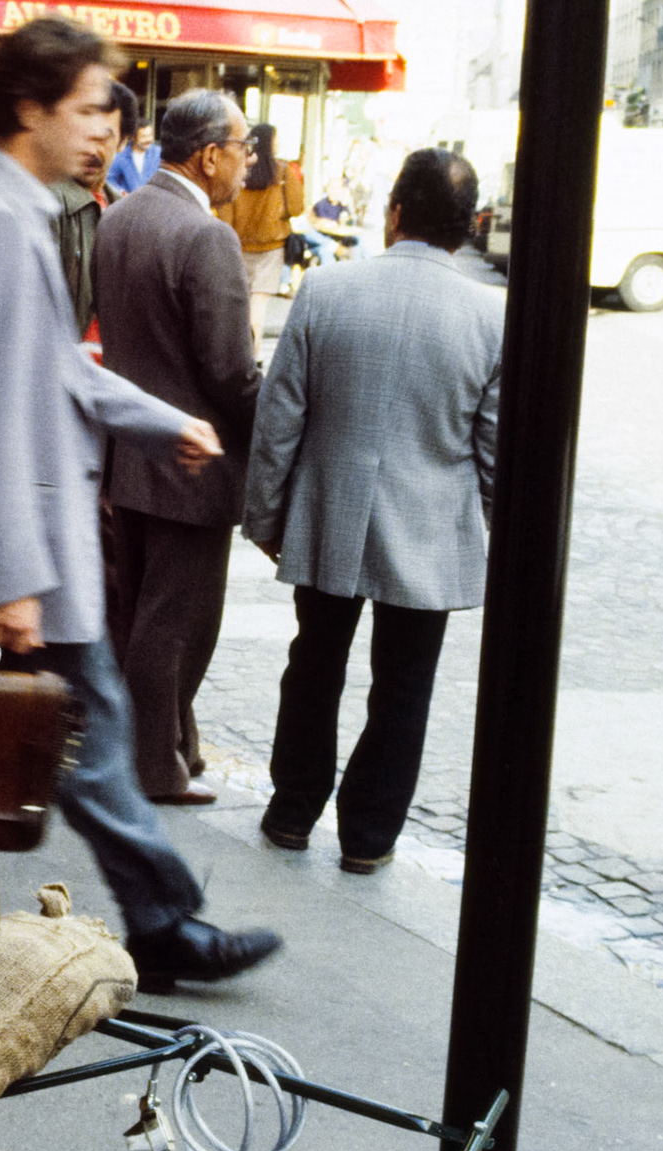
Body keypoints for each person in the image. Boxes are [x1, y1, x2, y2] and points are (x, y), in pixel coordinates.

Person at [0, 17, 280, 992]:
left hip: (42, 548)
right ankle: (165, 924)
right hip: (30, 554)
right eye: (87, 110)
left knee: (83, 746)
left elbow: (57, 376)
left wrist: (160, 417)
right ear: (31, 108)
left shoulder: (15, 208)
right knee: (81, 744)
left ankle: (163, 921)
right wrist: (15, 579)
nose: (105, 132)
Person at [243, 148, 502, 875]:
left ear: (393, 212)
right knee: (405, 687)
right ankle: (369, 836)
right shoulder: (490, 318)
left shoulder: (326, 291)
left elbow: (279, 422)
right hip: (430, 529)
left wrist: (266, 516)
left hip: (332, 513)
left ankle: (292, 811)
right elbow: (494, 454)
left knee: (314, 663)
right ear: (470, 226)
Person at [93, 88, 259, 805]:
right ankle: (154, 767)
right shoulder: (206, 236)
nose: (250, 164)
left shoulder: (119, 216)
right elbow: (229, 372)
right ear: (211, 154)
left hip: (129, 455)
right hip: (190, 466)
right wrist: (272, 430)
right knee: (177, 625)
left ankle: (171, 751)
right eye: (245, 149)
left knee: (140, 615)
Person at [49, 77, 138, 339]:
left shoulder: (122, 211)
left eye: (102, 137)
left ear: (123, 142)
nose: (90, 149)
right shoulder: (48, 203)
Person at [217, 121, 304, 352]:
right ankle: (253, 354)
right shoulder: (283, 171)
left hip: (240, 245)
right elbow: (296, 206)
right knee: (259, 306)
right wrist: (277, 214)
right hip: (271, 247)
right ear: (271, 143)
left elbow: (224, 209)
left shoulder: (240, 168)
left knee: (239, 304)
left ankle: (236, 352)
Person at [107, 116, 161, 193]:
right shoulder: (121, 156)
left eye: (150, 135)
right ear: (133, 137)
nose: (148, 140)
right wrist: (121, 192)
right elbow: (109, 180)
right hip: (129, 203)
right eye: (143, 136)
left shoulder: (158, 153)